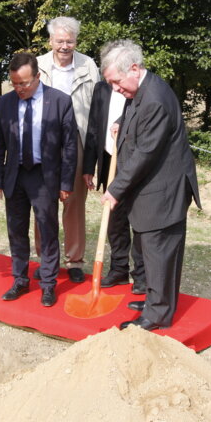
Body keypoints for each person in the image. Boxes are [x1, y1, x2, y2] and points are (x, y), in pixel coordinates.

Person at [100, 40, 201, 331]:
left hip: (164, 188)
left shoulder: (155, 97)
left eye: (116, 82)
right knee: (150, 248)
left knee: (159, 250)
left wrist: (116, 189)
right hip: (152, 186)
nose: (115, 89)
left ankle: (158, 313)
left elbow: (145, 152)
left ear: (134, 69)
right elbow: (134, 112)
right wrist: (122, 121)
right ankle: (154, 299)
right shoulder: (141, 89)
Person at [0, 52, 78, 307]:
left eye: (25, 83)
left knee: (48, 231)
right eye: (15, 83)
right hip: (14, 176)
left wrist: (65, 183)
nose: (20, 88)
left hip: (44, 176)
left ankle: (48, 285)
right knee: (16, 231)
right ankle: (19, 279)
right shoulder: (5, 103)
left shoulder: (60, 101)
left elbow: (69, 147)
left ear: (38, 76)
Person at [34, 16, 100, 283]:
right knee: (43, 202)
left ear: (76, 41)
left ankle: (74, 260)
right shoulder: (37, 65)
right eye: (60, 40)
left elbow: (97, 108)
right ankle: (45, 258)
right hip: (44, 142)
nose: (64, 46)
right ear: (50, 41)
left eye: (69, 41)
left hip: (78, 139)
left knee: (74, 203)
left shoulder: (88, 65)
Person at [82, 77, 146, 294]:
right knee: (114, 219)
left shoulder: (139, 89)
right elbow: (93, 127)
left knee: (137, 218)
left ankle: (141, 276)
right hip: (110, 159)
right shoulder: (101, 88)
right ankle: (119, 269)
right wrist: (88, 166)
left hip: (134, 161)